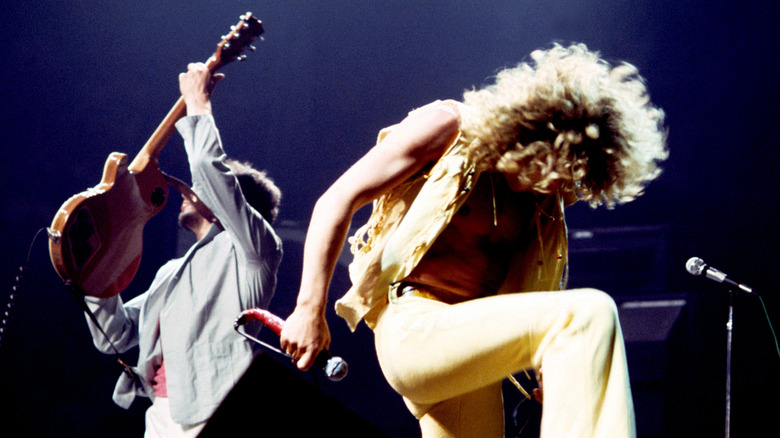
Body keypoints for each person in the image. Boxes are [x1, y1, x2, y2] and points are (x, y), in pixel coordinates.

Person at [280, 43, 667, 438]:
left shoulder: (545, 204)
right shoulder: (450, 128)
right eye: (553, 164)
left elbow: (534, 295)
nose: (554, 183)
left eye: (570, 177)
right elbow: (337, 199)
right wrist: (309, 310)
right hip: (415, 329)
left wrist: (561, 373)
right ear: (534, 129)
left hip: (468, 355)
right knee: (589, 313)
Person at [82, 63, 283, 436]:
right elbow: (115, 333)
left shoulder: (254, 250)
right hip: (162, 415)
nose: (189, 189)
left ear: (230, 203)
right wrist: (95, 274)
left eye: (203, 187)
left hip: (214, 412)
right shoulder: (171, 272)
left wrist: (198, 102)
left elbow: (208, 167)